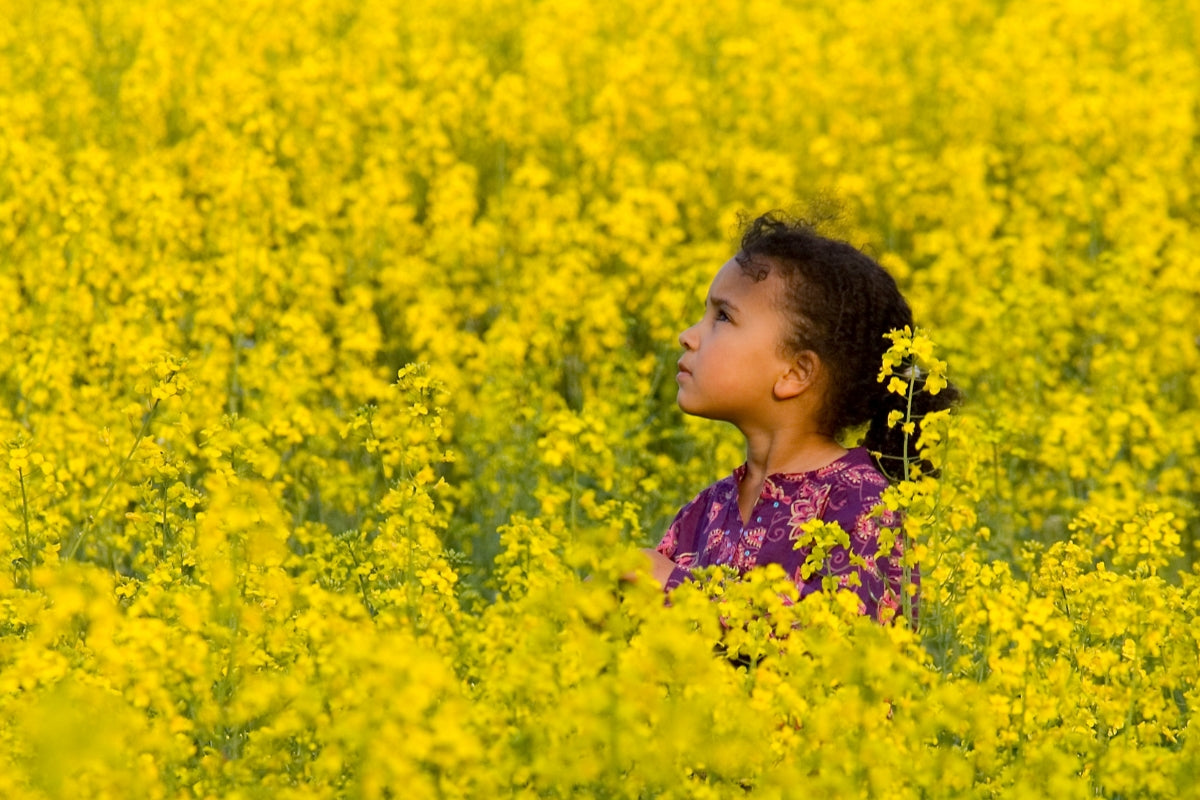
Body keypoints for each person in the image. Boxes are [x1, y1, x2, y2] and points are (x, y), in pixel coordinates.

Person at [643, 212, 959, 625]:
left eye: (722, 317)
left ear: (795, 373)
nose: (688, 335)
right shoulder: (706, 509)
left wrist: (672, 588)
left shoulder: (864, 505)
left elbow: (841, 649)